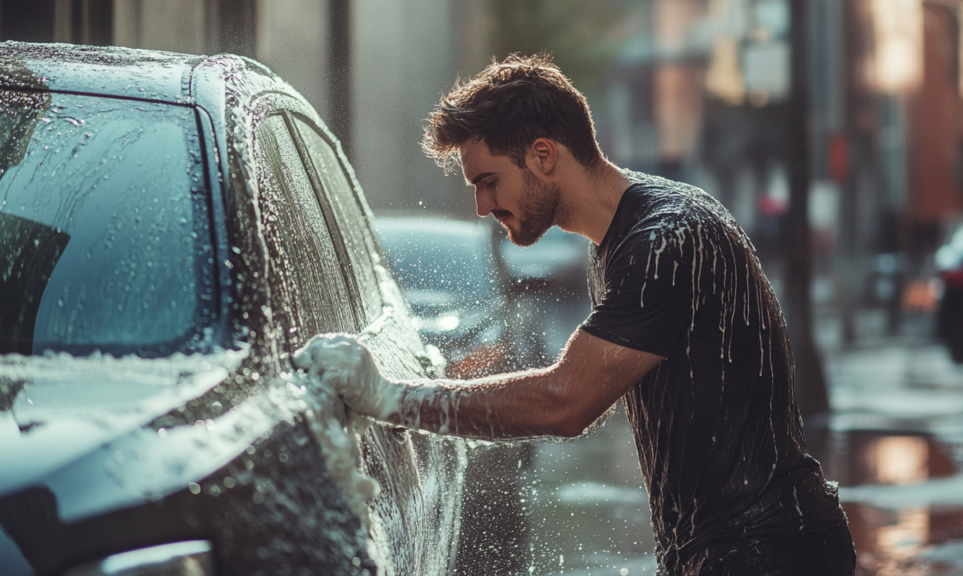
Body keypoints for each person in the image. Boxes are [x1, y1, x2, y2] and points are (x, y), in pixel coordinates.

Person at [295, 54, 856, 575]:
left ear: (544, 155)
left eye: (488, 180)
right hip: (730, 551)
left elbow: (566, 402)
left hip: (768, 551)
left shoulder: (665, 239)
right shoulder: (623, 240)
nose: (481, 205)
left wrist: (392, 398)